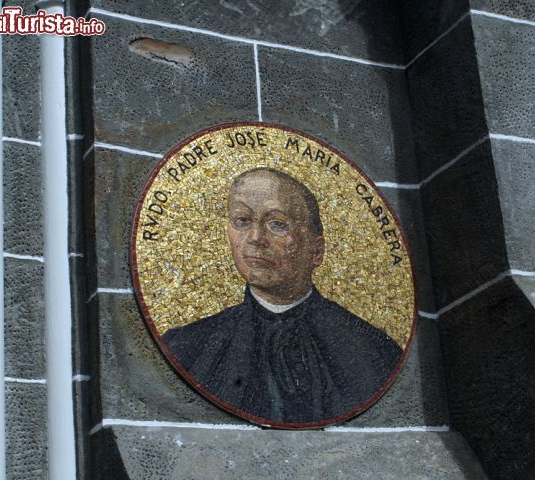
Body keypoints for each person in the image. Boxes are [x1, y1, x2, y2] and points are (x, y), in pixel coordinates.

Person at [162, 167, 403, 425]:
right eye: (242, 220)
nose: (255, 238)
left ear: (316, 251)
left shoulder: (372, 350)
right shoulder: (187, 347)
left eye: (277, 224)